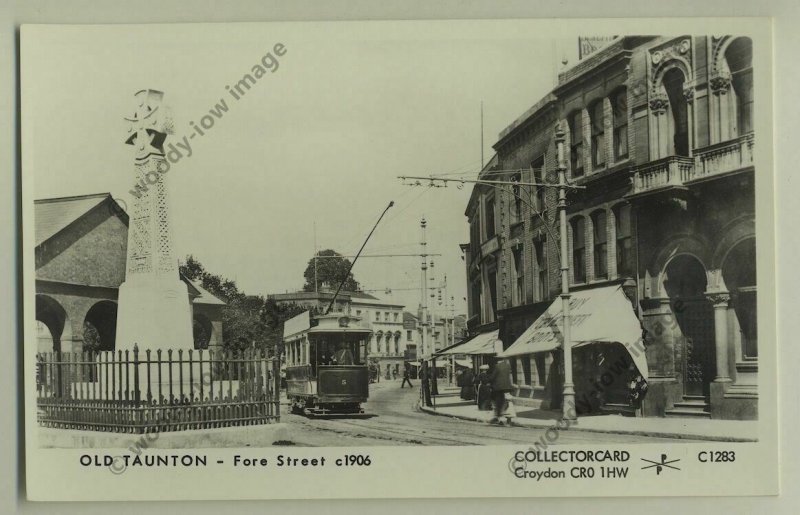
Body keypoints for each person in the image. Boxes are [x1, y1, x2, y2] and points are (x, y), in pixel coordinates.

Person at [488, 357, 514, 425]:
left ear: (498, 360)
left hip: (499, 388)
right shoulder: (508, 366)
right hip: (507, 387)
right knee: (508, 402)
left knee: (498, 403)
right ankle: (508, 418)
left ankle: (499, 418)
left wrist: (489, 380)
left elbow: (493, 377)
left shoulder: (497, 366)